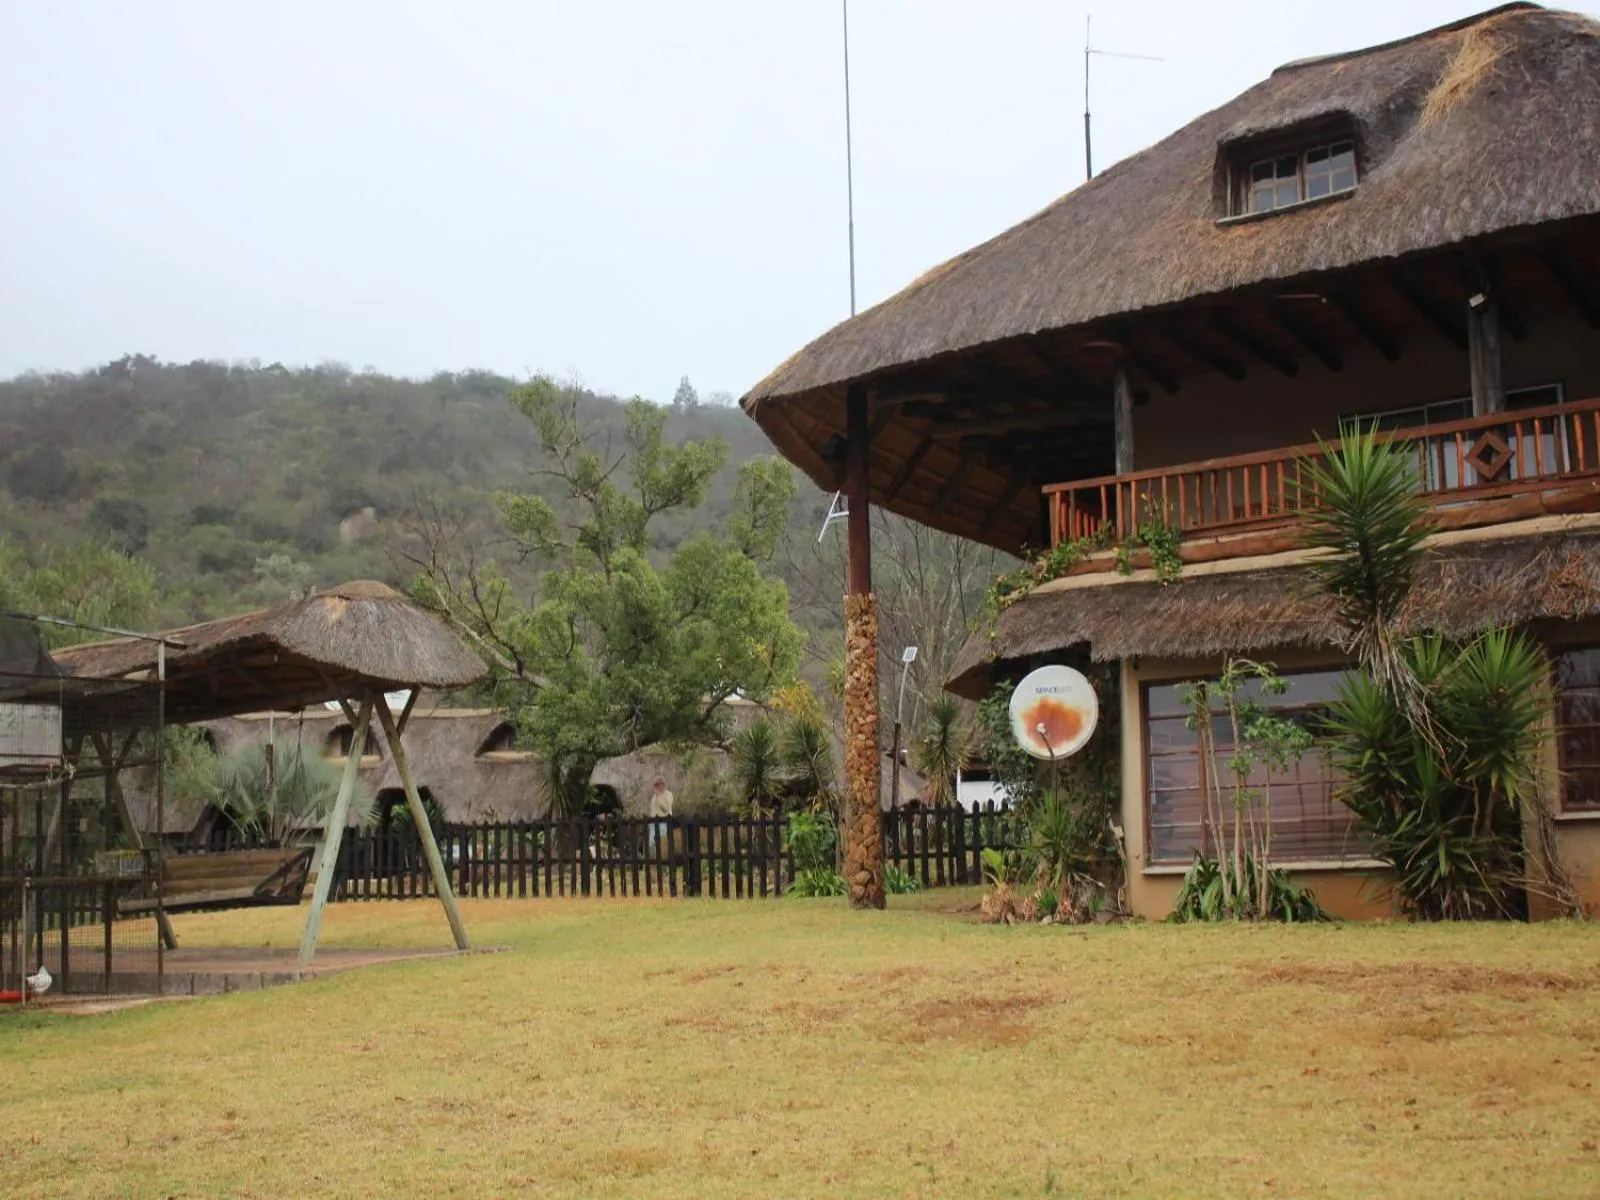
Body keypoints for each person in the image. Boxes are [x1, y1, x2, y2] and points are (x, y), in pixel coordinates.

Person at [647, 776, 674, 854]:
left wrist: (659, 797)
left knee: (662, 843)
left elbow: (666, 808)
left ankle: (663, 860)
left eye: (658, 785)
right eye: (655, 785)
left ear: (662, 785)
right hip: (653, 823)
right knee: (652, 844)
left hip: (663, 823)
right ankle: (654, 862)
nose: (656, 787)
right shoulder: (654, 796)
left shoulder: (668, 794)